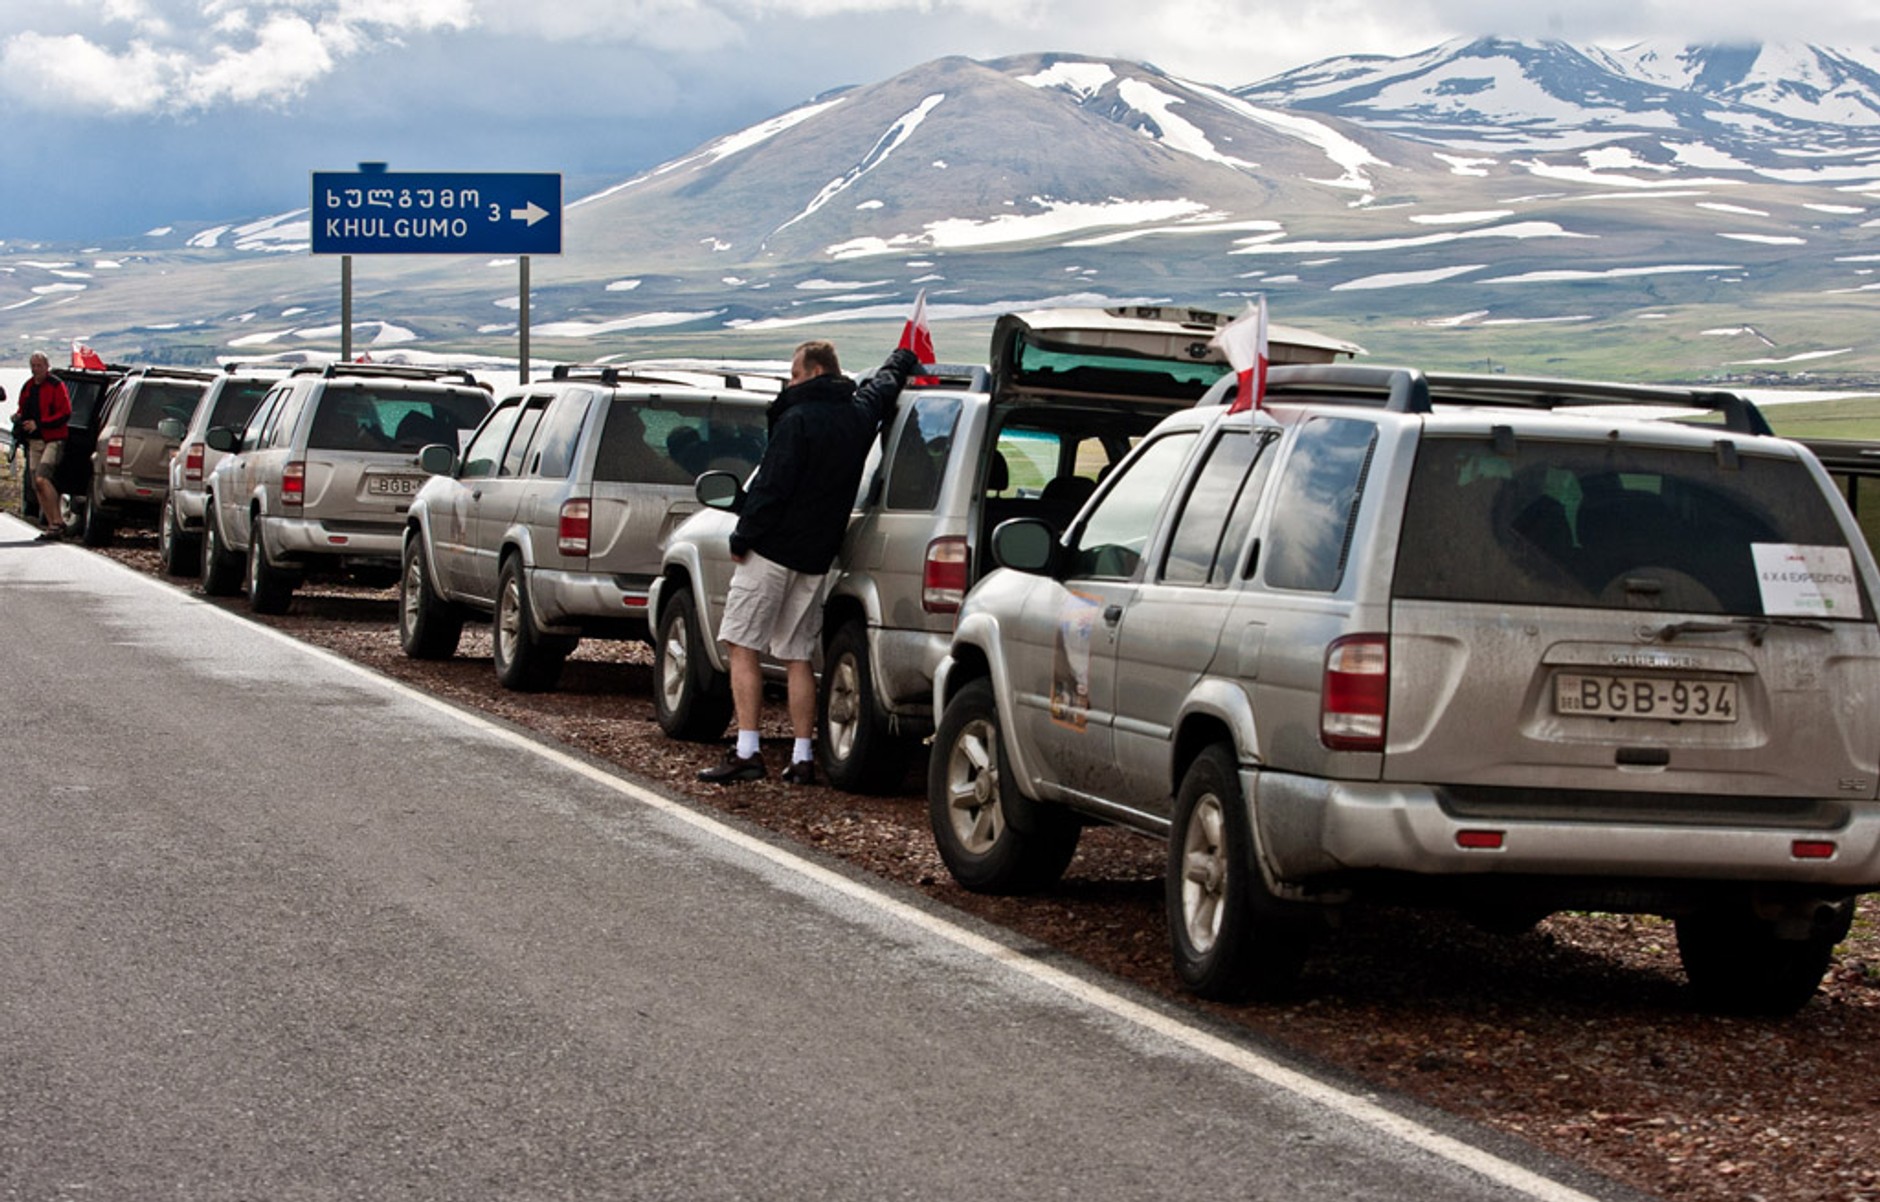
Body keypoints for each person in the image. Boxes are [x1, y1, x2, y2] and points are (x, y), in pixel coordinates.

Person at [699, 340, 919, 784]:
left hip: (772, 549)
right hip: (817, 557)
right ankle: (802, 757)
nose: (790, 381)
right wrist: (903, 356)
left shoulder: (797, 419)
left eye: (795, 374)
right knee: (798, 653)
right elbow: (884, 384)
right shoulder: (858, 414)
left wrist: (744, 536)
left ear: (815, 372)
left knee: (742, 644)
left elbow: (772, 488)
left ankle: (748, 751)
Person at [16, 353, 72, 541]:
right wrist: (18, 418)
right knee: (35, 484)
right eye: (33, 365)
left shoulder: (56, 385)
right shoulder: (28, 386)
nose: (35, 369)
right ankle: (52, 526)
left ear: (47, 366)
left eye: (39, 365)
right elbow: (22, 409)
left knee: (42, 478)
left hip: (53, 439)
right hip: (34, 442)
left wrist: (39, 424)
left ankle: (58, 522)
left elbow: (65, 413)